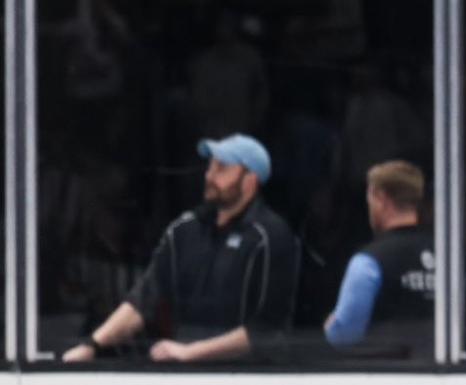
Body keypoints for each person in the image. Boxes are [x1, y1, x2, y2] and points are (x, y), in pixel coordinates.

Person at [62, 134, 300, 363]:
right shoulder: (184, 230)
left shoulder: (272, 237)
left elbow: (268, 330)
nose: (210, 175)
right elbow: (143, 299)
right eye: (210, 167)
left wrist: (192, 352)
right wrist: (92, 345)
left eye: (222, 169)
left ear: (249, 181)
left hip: (251, 381)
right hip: (183, 374)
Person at [323, 160, 436, 359]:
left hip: (385, 374)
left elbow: (345, 334)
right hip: (436, 368)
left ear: (381, 199)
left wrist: (332, 325)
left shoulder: (368, 261)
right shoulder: (445, 255)